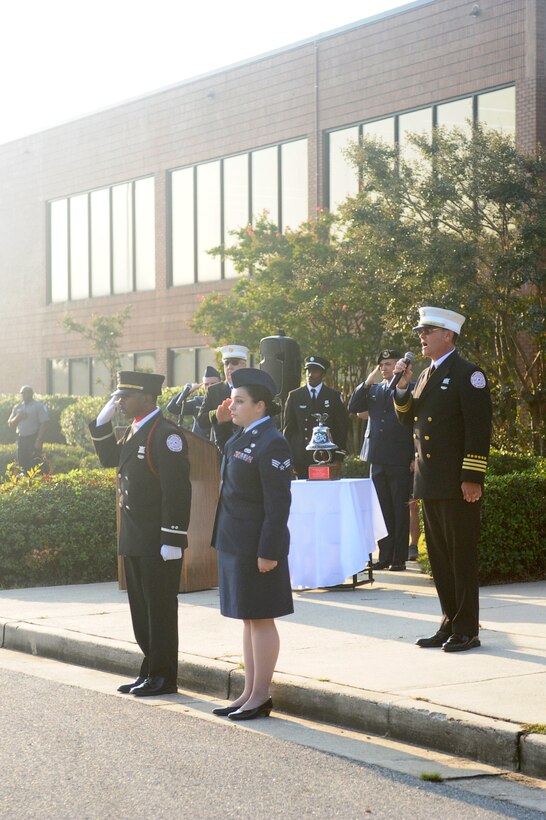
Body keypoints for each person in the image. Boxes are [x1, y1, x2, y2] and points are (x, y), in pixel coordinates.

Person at [393, 307, 492, 652]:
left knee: (460, 556)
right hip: (430, 481)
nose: (421, 337)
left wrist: (472, 477)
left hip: (456, 482)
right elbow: (410, 421)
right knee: (438, 557)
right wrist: (402, 389)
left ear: (447, 335)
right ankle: (449, 621)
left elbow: (478, 430)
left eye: (428, 331)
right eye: (421, 331)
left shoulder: (468, 374)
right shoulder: (424, 374)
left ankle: (467, 628)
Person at [89, 371, 192, 695]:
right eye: (117, 397)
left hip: (157, 540)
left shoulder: (165, 434)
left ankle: (164, 676)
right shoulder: (137, 430)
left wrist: (173, 538)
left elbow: (177, 491)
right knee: (141, 610)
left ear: (147, 397)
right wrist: (101, 425)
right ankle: (150, 668)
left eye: (125, 396)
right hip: (135, 537)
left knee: (159, 609)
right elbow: (109, 458)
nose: (119, 402)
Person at [211, 368, 293, 721]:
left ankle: (261, 695)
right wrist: (219, 423)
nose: (233, 406)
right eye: (233, 399)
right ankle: (248, 691)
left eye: (240, 401)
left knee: (260, 619)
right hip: (235, 540)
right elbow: (227, 458)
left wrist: (268, 551)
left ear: (260, 406)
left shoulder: (272, 441)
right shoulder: (243, 436)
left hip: (257, 545)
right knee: (247, 618)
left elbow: (278, 504)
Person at [348, 349, 415, 571]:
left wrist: (415, 455)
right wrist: (368, 381)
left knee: (399, 508)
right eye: (382, 364)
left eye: (389, 364)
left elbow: (415, 423)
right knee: (381, 508)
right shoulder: (374, 390)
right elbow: (353, 406)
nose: (385, 368)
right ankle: (384, 555)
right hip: (376, 455)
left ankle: (398, 557)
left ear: (400, 366)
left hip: (399, 456)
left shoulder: (408, 388)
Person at [283, 355, 349, 479]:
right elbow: (288, 429)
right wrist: (288, 457)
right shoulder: (295, 396)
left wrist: (339, 456)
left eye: (315, 371)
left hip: (327, 457)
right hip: (301, 457)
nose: (310, 374)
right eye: (308, 370)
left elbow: (342, 428)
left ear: (323, 374)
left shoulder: (333, 396)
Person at [196, 345, 249, 439]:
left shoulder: (253, 389)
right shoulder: (213, 390)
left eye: (234, 363)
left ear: (244, 365)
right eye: (226, 363)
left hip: (248, 444)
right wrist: (218, 414)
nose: (229, 367)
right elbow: (201, 421)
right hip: (221, 446)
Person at [166, 365, 221, 438]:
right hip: (199, 446)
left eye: (213, 383)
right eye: (206, 384)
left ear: (220, 383)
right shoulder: (198, 402)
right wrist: (187, 392)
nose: (209, 387)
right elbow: (172, 408)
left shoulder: (226, 401)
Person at [8, 386, 49, 473]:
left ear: (32, 393)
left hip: (33, 437)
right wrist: (17, 417)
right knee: (22, 462)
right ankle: (25, 483)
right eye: (23, 393)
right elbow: (10, 424)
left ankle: (36, 483)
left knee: (34, 462)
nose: (25, 395)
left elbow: (44, 423)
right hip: (22, 438)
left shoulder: (38, 406)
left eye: (28, 392)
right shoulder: (17, 407)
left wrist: (39, 439)